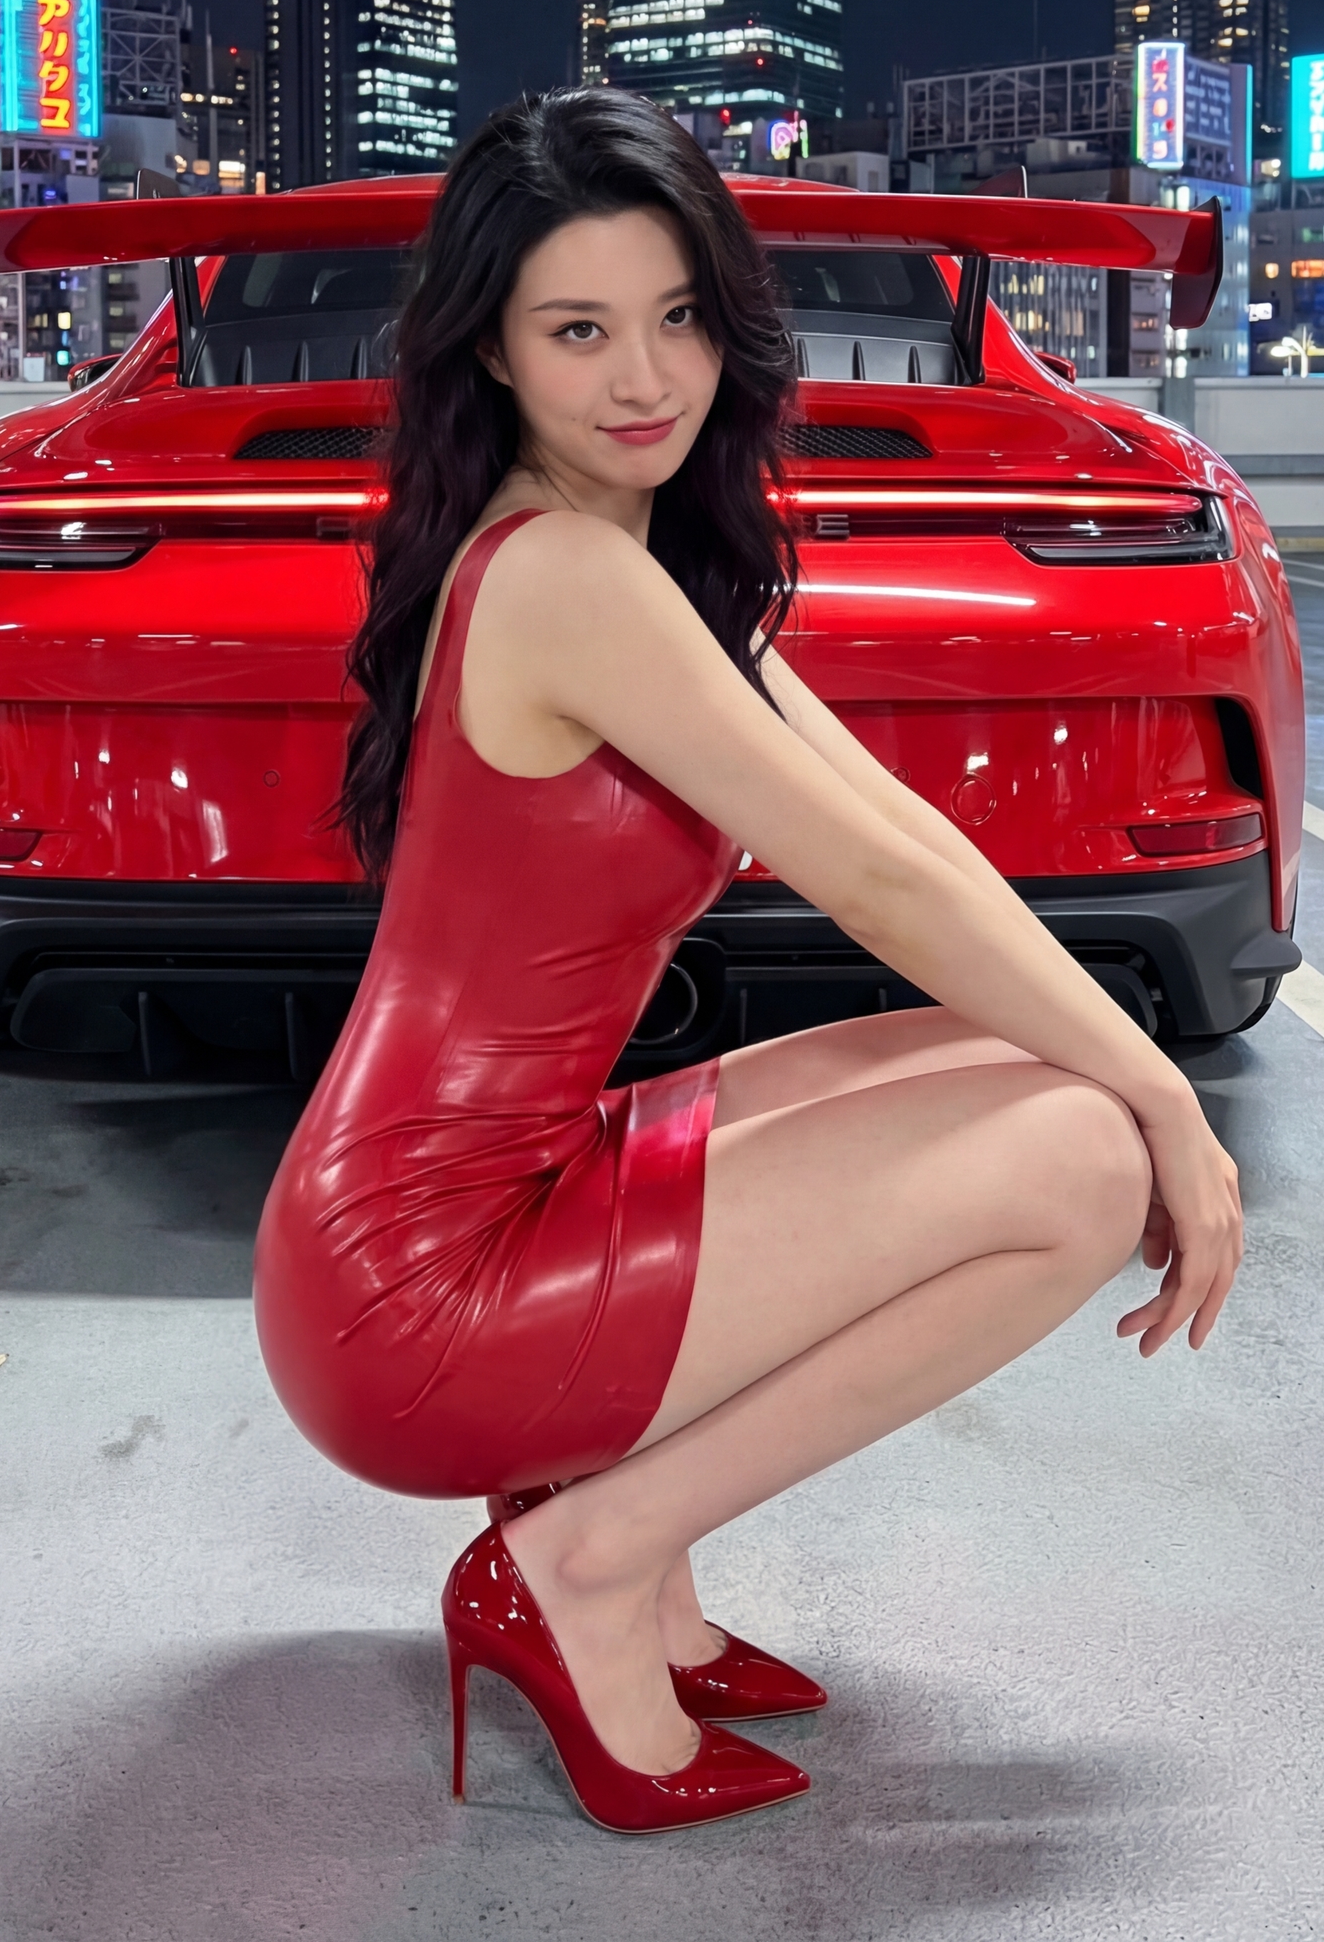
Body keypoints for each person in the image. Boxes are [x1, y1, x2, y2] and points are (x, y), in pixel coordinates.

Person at [252, 88, 1242, 1835]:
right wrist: (1168, 1106)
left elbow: (910, 841)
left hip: (483, 1195)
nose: (647, 377)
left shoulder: (637, 565)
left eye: (682, 316)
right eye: (579, 331)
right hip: (416, 1284)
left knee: (1023, 1072)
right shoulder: (566, 574)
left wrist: (1121, 1058)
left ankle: (640, 1565)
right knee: (1083, 1161)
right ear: (489, 352)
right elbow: (869, 879)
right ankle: (589, 1557)